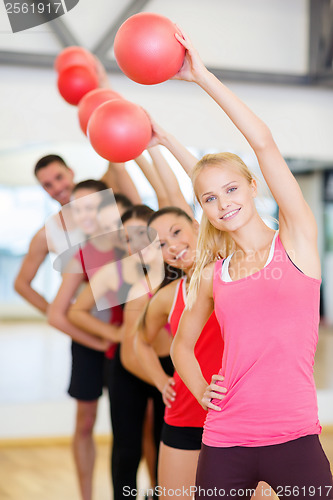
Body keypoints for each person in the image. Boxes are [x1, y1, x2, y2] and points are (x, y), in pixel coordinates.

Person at [170, 28, 333, 498]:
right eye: (209, 197)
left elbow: (263, 144)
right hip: (225, 439)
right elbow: (182, 346)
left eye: (231, 189)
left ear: (252, 187)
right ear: (203, 208)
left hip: (296, 438)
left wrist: (202, 78)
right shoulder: (212, 275)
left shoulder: (297, 241)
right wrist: (201, 390)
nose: (223, 203)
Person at [68, 204, 175, 500]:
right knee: (127, 449)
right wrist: (113, 334)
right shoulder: (115, 273)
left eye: (143, 234)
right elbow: (77, 311)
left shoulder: (176, 271)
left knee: (165, 444)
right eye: (129, 238)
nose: (136, 243)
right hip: (126, 369)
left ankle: (160, 494)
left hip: (168, 370)